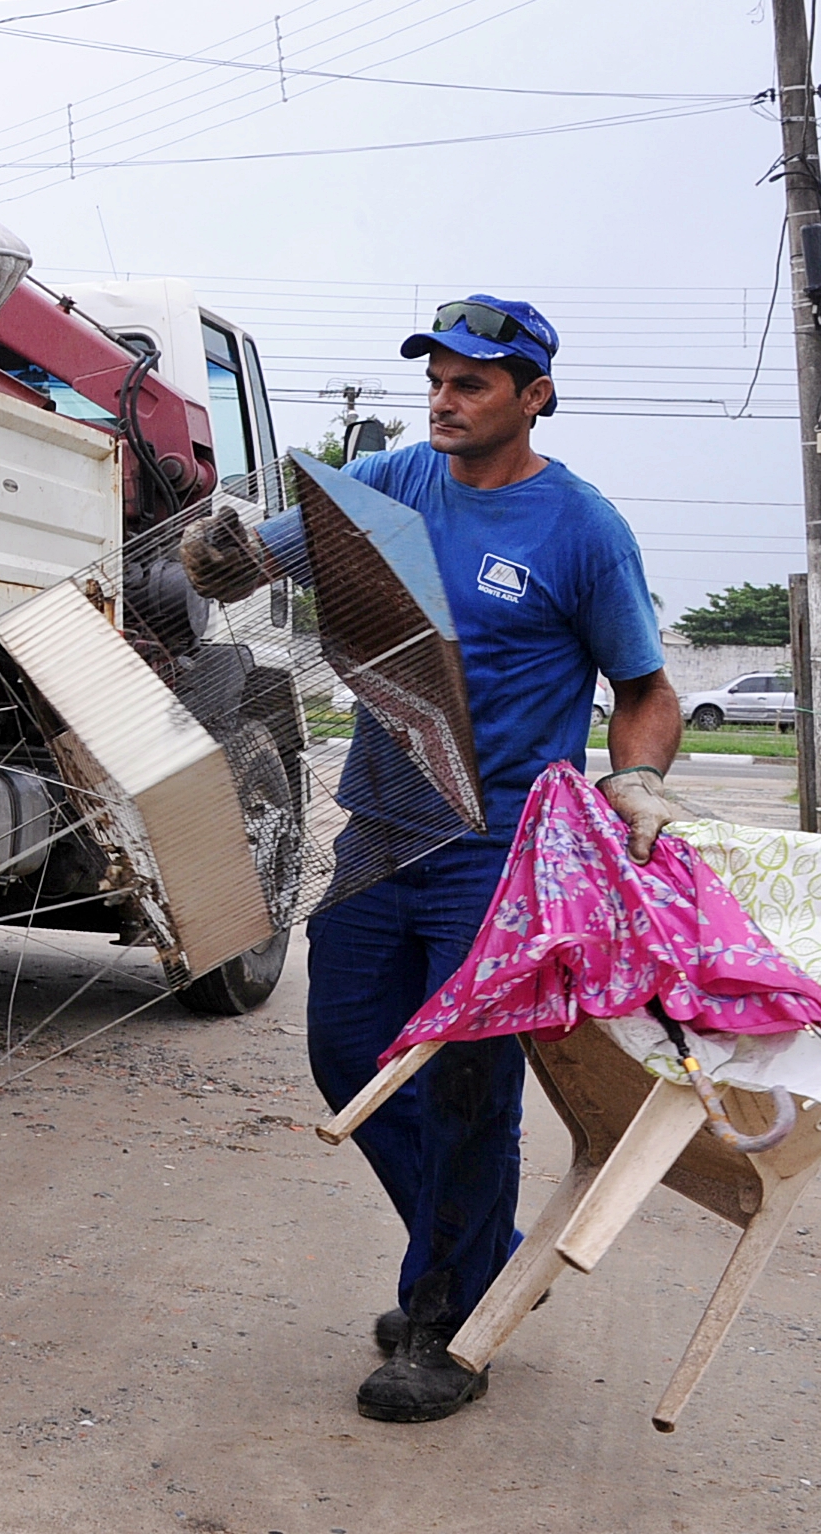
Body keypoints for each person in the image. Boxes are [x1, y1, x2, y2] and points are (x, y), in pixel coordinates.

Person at [180, 295, 682, 1424]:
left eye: (475, 383)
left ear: (534, 395)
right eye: (439, 380)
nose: (447, 401)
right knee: (349, 1050)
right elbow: (250, 559)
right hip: (383, 824)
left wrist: (636, 779)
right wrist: (216, 546)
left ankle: (450, 1323)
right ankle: (485, 1256)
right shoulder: (401, 481)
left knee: (465, 1080)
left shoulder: (579, 527)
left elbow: (646, 689)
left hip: (498, 849)